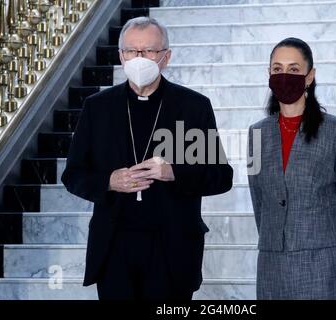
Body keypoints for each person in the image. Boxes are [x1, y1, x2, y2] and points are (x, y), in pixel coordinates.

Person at [61, 16, 233, 300]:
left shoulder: (193, 106)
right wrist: (109, 181)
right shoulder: (97, 108)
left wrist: (174, 172)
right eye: (132, 51)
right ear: (121, 56)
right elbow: (73, 175)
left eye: (149, 51)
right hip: (114, 248)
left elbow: (221, 176)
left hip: (172, 249)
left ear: (166, 56)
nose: (139, 57)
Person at [247, 37, 336, 300]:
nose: (284, 75)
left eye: (293, 69)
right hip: (272, 260)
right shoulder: (257, 133)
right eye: (277, 69)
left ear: (309, 76)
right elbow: (259, 198)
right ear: (268, 74)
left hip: (324, 258)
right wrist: (272, 238)